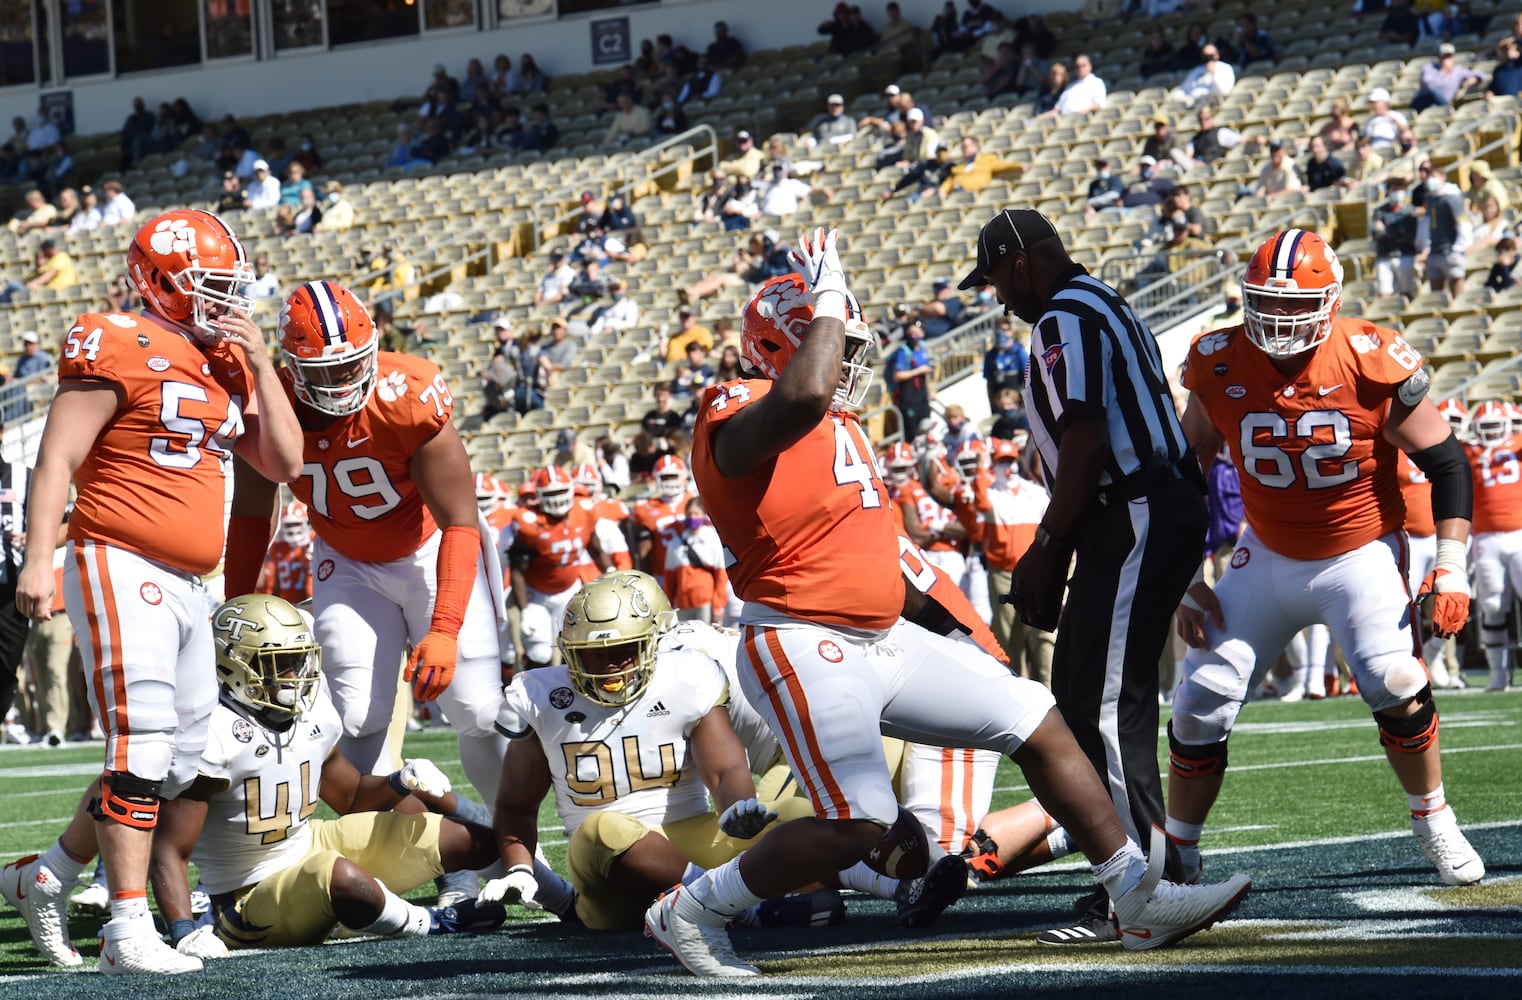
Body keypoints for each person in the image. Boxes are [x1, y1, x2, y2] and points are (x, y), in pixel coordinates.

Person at [645, 252, 1251, 977]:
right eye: (836, 343)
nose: (847, 362)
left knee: (1036, 715)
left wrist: (961, 625)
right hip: (801, 639)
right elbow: (802, 394)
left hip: (883, 637)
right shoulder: (734, 408)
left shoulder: (839, 425)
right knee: (858, 825)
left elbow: (884, 554)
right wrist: (832, 292)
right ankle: (691, 910)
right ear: (784, 343)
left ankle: (1136, 897)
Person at [0, 210, 304, 974]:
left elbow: (284, 461)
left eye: (230, 289)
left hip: (187, 581)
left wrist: (262, 365)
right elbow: (57, 459)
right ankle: (126, 930)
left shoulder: (222, 363)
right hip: (118, 557)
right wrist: (41, 557)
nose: (222, 302)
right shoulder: (117, 339)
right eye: (208, 286)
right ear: (158, 281)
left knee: (181, 757)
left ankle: (50, 873)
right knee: (139, 743)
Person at [1167, 229, 1486, 889]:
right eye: (1267, 304)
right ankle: (1180, 853)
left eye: (1296, 306)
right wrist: (1184, 577)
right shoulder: (1216, 359)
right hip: (1266, 548)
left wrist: (1450, 564)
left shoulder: (1370, 359)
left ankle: (1434, 819)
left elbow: (1447, 461)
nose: (1280, 321)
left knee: (1395, 681)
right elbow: (1185, 467)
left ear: (1331, 301)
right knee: (1198, 700)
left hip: (1359, 551)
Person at [964, 210, 1212, 940]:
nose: (1001, 301)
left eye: (998, 281)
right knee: (1076, 695)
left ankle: (1147, 891)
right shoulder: (1099, 304)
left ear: (1019, 262)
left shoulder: (1063, 316)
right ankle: (1151, 871)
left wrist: (1048, 543)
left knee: (1104, 704)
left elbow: (1086, 434)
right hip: (1134, 509)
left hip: (1134, 506)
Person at [230, 280, 509, 815]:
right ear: (291, 366)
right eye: (322, 371)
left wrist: (446, 628)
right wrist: (235, 607)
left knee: (475, 706)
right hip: (348, 560)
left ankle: (510, 839)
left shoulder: (408, 393)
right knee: (355, 713)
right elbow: (249, 517)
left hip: (430, 548)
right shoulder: (271, 402)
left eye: (349, 363)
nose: (339, 381)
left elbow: (459, 519)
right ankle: (404, 845)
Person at [148, 594, 512, 953]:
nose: (296, 675)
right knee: (339, 876)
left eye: (299, 660)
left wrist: (400, 781)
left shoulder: (311, 712)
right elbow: (168, 848)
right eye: (280, 663)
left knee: (468, 840)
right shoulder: (213, 732)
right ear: (235, 665)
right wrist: (182, 932)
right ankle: (429, 921)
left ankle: (559, 897)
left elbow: (352, 797)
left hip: (308, 846)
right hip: (246, 896)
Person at [489, 572, 820, 930]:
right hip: (612, 873)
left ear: (650, 644)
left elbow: (725, 771)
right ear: (569, 654)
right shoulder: (542, 697)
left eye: (623, 650)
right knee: (602, 829)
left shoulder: (686, 674)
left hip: (691, 837)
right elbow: (515, 805)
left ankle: (727, 899)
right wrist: (521, 868)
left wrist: (736, 810)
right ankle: (736, 908)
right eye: (595, 655)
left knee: (801, 815)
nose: (611, 665)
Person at [1464, 401, 1522, 692]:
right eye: (1484, 427)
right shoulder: (1469, 450)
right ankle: (1498, 676)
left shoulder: (1519, 443)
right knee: (1491, 605)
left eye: (1494, 426)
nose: (1489, 433)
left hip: (1520, 533)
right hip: (1486, 537)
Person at [888, 320, 933, 438]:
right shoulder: (904, 351)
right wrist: (917, 371)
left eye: (917, 334)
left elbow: (926, 373)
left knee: (927, 426)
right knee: (912, 431)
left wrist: (929, 391)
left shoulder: (923, 348)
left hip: (921, 394)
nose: (914, 337)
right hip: (909, 394)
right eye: (911, 334)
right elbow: (897, 376)